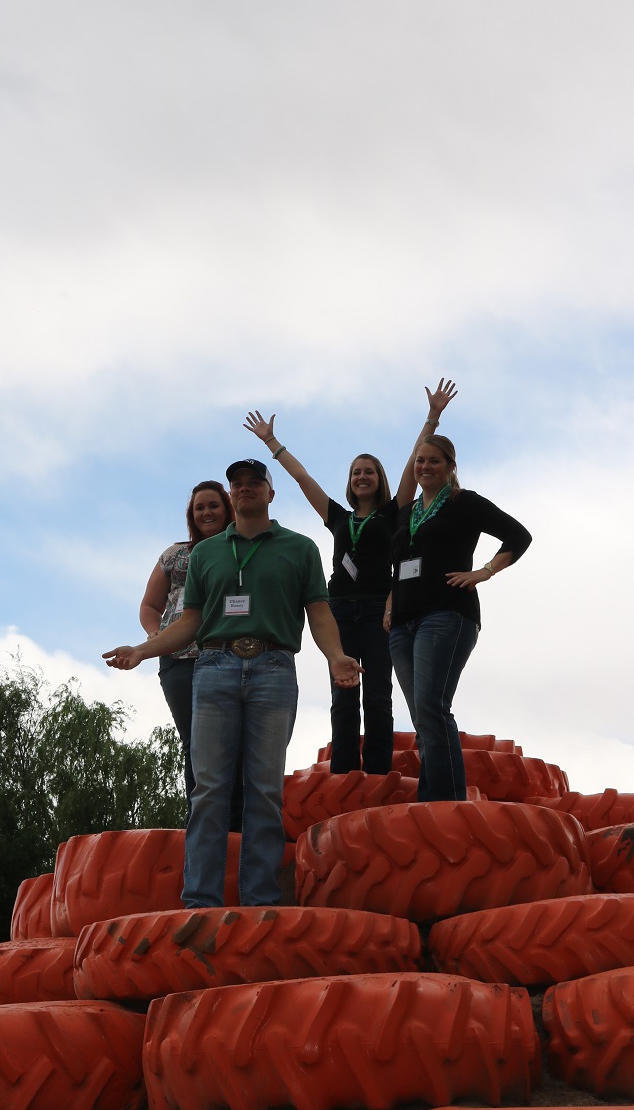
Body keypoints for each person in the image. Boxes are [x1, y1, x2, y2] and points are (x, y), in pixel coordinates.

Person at [103, 458, 361, 908]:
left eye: (253, 483)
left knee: (264, 789)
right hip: (214, 666)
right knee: (209, 789)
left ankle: (259, 900)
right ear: (231, 493)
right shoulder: (205, 554)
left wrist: (337, 656)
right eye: (237, 484)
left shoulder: (300, 548)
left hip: (274, 667)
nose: (245, 489)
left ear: (269, 492)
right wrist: (144, 650)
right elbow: (190, 623)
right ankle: (200, 901)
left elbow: (319, 613)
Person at [241, 381, 457, 774]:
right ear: (350, 479)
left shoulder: (393, 513)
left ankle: (376, 775)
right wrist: (272, 443)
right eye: (357, 472)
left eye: (369, 471)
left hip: (379, 610)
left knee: (377, 696)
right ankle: (342, 775)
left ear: (380, 478)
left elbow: (414, 462)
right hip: (337, 610)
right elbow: (302, 479)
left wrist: (432, 417)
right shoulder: (338, 517)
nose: (362, 477)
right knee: (343, 695)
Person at [386, 395, 532, 803]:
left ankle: (446, 800)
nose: (425, 467)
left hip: (446, 614)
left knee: (433, 706)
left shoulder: (463, 503)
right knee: (422, 717)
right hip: (402, 623)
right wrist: (389, 606)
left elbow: (518, 536)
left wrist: (484, 571)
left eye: (434, 461)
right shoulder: (407, 510)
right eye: (420, 462)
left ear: (451, 466)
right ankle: (434, 797)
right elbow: (399, 566)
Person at [138, 480, 234, 804]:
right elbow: (150, 606)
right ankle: (200, 818)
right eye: (200, 507)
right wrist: (156, 636)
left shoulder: (241, 548)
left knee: (230, 739)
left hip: (228, 655)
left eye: (213, 505)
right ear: (192, 515)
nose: (206, 512)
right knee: (193, 741)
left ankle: (235, 821)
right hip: (178, 657)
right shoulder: (175, 554)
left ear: (227, 509)